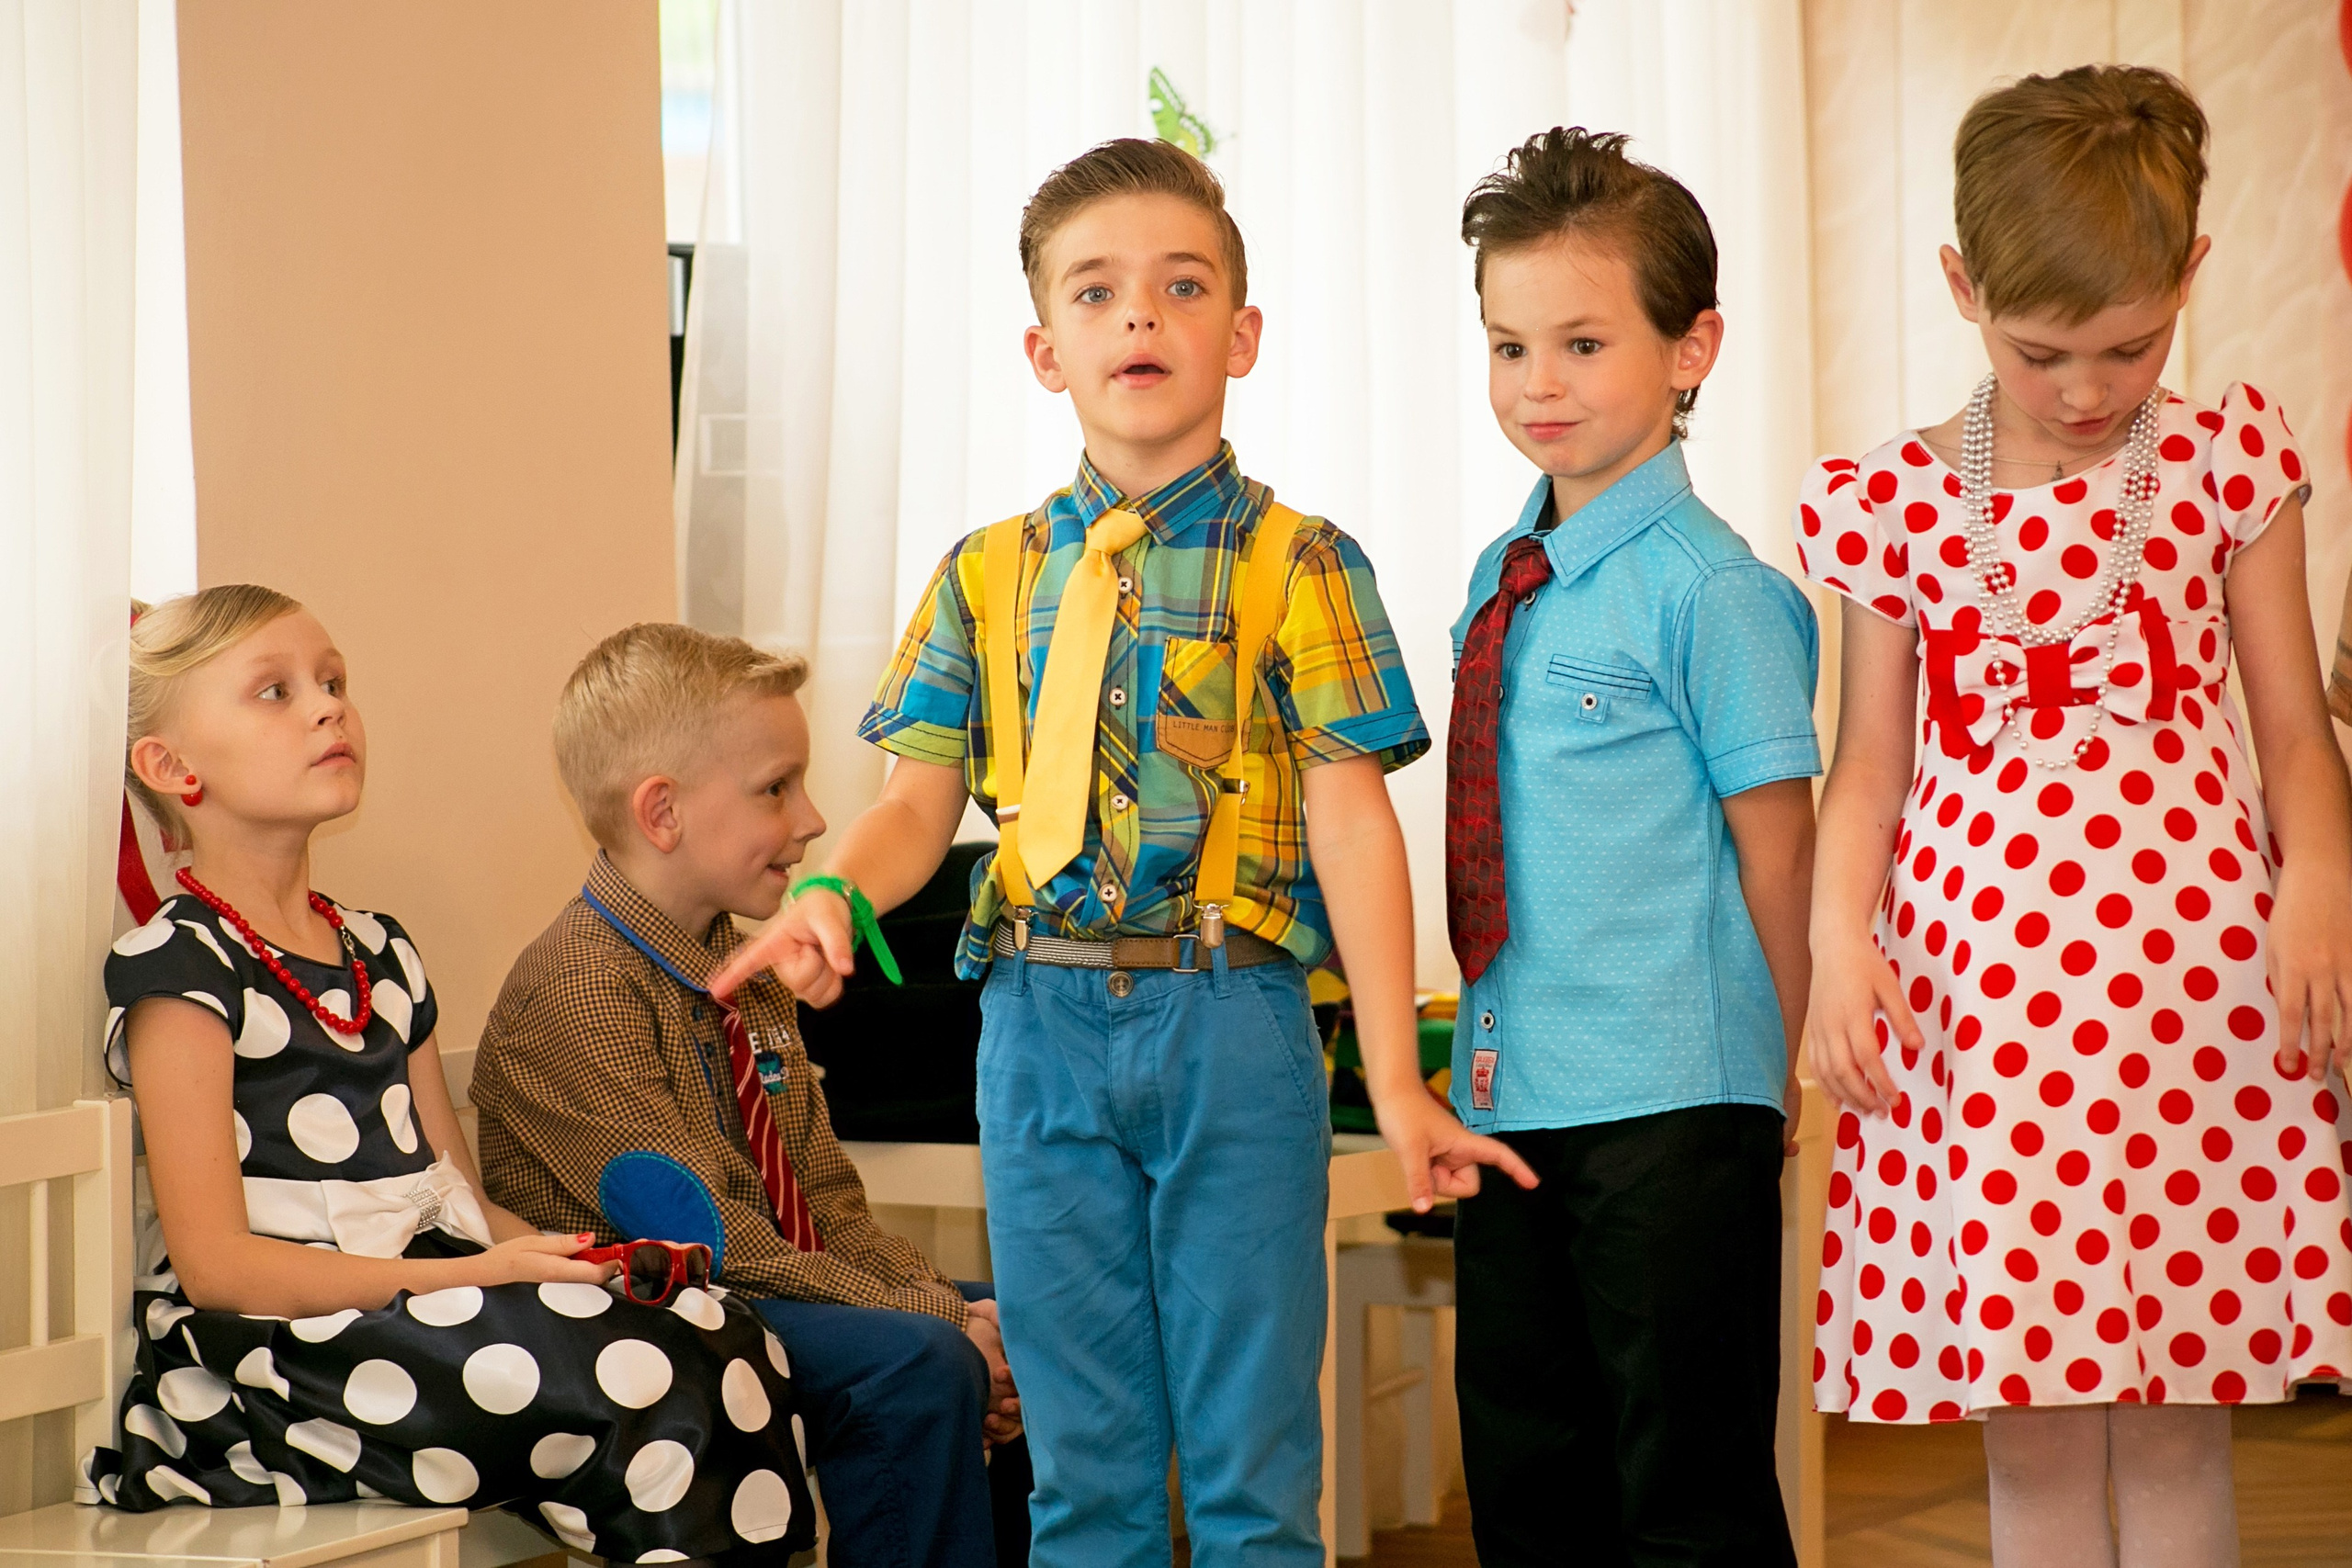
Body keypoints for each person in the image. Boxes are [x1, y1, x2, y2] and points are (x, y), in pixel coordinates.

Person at [708, 136, 1532, 1567]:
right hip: (1034, 1024)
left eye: (1181, 285)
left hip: (1237, 1022)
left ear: (1243, 333)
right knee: (1082, 1466)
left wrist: (1398, 1079)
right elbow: (915, 803)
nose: (1138, 316)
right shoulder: (984, 571)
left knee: (1249, 1466)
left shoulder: (1307, 559)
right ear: (1045, 349)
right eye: (1096, 293)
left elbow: (1353, 818)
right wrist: (832, 889)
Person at [1799, 65, 2352, 1568]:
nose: (2091, 390)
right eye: (2042, 352)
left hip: (2199, 1006)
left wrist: (2322, 885)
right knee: (2036, 1435)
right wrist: (1839, 943)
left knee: (2181, 1422)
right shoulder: (1896, 501)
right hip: (1985, 1020)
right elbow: (1867, 766)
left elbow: (2298, 732)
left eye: (2132, 345)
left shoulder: (2230, 463)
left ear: (2191, 279)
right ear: (1961, 285)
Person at [87, 587, 812, 1562]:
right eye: (275, 692)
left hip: (423, 1302)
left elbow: (458, 1199)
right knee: (644, 1372)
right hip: (275, 1362)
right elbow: (218, 1265)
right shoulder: (181, 966)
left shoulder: (378, 951)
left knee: (718, 1327)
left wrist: (567, 1259)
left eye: (334, 682)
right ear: (172, 768)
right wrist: (484, 1273)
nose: (327, 707)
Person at [1440, 128, 1819, 1567]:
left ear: (1690, 348)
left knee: (1688, 1481)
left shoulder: (1715, 591)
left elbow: (1777, 856)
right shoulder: (1502, 570)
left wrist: (1774, 1075)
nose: (1539, 382)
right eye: (1510, 344)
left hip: (1674, 1098)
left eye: (1584, 342)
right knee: (1531, 1473)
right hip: (1512, 1092)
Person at [469, 622, 1029, 1568]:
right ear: (663, 814)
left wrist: (956, 1307)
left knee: (1037, 1322)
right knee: (924, 1362)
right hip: (650, 1314)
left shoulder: (750, 973)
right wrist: (940, 1323)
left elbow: (826, 1204)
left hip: (757, 1289)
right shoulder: (577, 992)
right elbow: (717, 1244)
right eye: (778, 787)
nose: (812, 820)